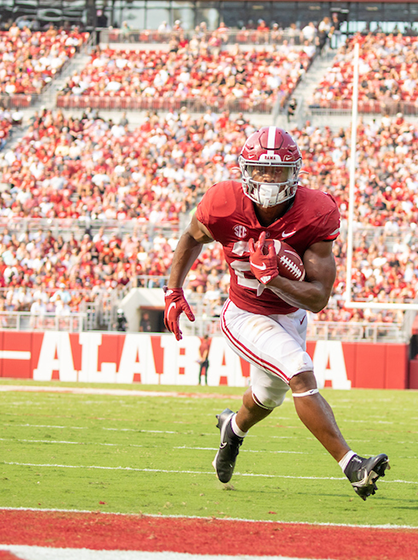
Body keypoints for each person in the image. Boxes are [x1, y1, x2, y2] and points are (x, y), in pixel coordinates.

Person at [164, 126, 389, 500]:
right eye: (261, 169)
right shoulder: (222, 201)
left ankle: (232, 429)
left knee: (268, 396)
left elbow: (318, 298)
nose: (269, 179)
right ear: (245, 169)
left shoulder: (316, 211)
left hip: (291, 315)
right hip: (245, 312)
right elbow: (192, 235)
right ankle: (353, 466)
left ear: (295, 173)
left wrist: (274, 280)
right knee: (299, 371)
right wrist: (174, 289)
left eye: (278, 171)